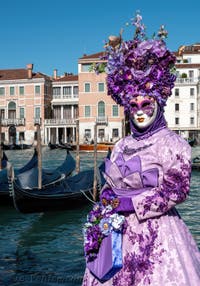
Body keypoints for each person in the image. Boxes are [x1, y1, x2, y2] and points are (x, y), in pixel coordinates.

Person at [82, 13, 200, 285]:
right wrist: (108, 200)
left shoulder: (174, 144)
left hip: (157, 235)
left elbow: (177, 190)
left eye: (146, 104)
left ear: (158, 104)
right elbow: (111, 183)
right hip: (117, 234)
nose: (139, 112)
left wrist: (131, 203)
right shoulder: (121, 144)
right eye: (133, 106)